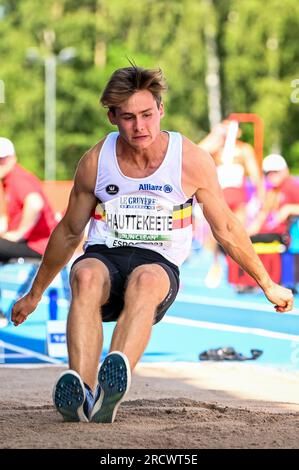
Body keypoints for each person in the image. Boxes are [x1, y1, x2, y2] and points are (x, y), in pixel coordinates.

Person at [11, 66, 293, 424]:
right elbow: (68, 231)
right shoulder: (96, 161)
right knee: (85, 275)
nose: (139, 127)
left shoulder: (189, 159)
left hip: (158, 264)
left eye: (146, 115)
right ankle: (83, 391)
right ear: (112, 116)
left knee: (145, 280)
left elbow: (225, 226)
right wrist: (35, 294)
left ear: (161, 110)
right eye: (128, 117)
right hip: (106, 257)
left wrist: (267, 284)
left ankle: (113, 382)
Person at [199, 120, 264, 288]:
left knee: (240, 237)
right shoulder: (215, 151)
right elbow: (197, 152)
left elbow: (256, 175)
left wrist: (260, 197)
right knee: (215, 235)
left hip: (238, 200)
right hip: (218, 198)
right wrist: (215, 135)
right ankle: (216, 265)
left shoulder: (244, 150)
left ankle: (241, 275)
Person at [0, 137, 56, 327]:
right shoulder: (9, 179)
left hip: (40, 245)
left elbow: (35, 203)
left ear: (13, 158)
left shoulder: (17, 177)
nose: (0, 164)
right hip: (36, 242)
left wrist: (19, 234)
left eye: (3, 159)